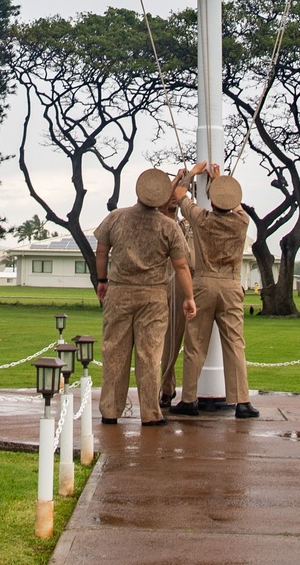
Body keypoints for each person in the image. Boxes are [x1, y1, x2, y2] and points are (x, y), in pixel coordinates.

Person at [94, 167, 196, 426]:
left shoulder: (116, 217)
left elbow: (102, 252)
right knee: (149, 354)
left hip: (119, 291)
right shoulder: (169, 227)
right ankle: (150, 413)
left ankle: (110, 410)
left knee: (114, 351)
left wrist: (102, 280)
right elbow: (182, 266)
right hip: (153, 296)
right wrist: (189, 297)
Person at [170, 163, 260, 419]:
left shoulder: (200, 218)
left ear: (211, 199)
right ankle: (242, 401)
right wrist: (219, 181)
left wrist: (193, 173)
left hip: (204, 283)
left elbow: (179, 195)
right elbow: (236, 204)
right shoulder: (242, 221)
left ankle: (189, 399)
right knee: (234, 343)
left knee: (195, 344)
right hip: (231, 284)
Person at [160, 168, 194, 407]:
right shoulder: (156, 220)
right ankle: (165, 386)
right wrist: (176, 181)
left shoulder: (186, 225)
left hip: (184, 285)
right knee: (162, 340)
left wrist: (189, 177)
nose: (172, 198)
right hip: (161, 284)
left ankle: (170, 388)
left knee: (178, 340)